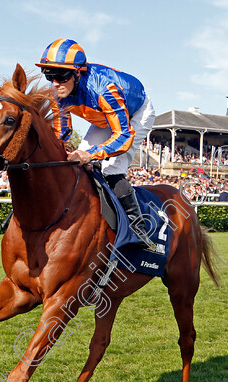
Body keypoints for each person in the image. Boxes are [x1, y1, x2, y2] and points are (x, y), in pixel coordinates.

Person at [36, 38, 156, 248]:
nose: (55, 82)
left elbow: (123, 136)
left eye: (61, 75)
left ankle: (139, 229)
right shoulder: (57, 93)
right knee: (75, 165)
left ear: (77, 73)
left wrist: (91, 154)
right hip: (103, 118)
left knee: (111, 169)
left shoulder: (104, 89)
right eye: (49, 74)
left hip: (135, 115)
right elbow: (61, 132)